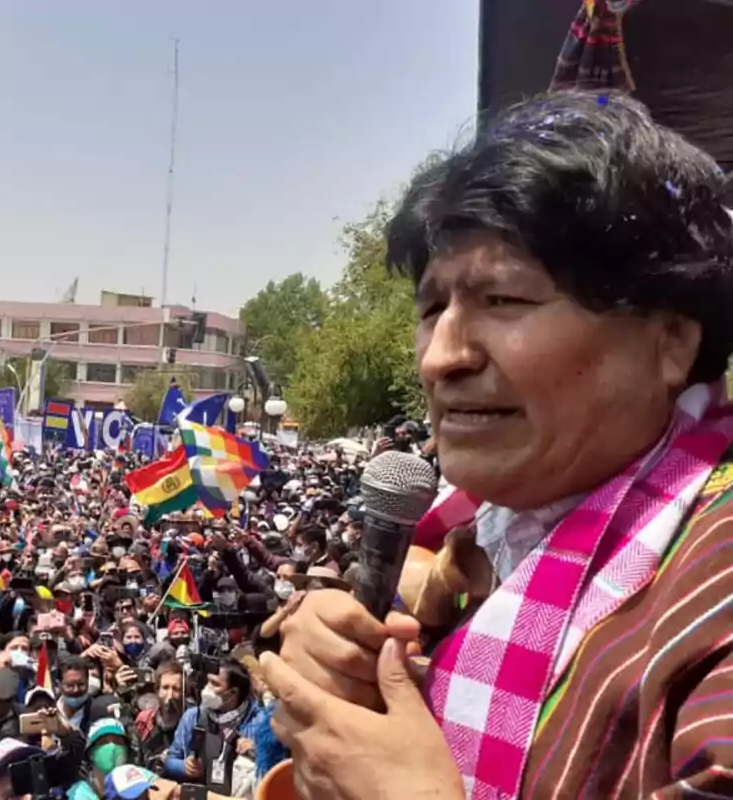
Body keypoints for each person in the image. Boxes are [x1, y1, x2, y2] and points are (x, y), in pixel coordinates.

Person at [264, 91, 733, 799]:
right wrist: (341, 715)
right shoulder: (472, 555)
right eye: (431, 309)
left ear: (670, 340)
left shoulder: (710, 586)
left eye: (505, 301)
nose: (440, 357)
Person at [164, 660, 259, 795]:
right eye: (208, 681)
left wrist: (255, 751)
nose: (207, 688)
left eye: (215, 684)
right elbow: (170, 761)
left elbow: (275, 767)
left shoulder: (258, 721)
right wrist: (184, 767)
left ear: (232, 693)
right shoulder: (193, 717)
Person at [67, 719, 130, 800]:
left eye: (118, 742)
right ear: (91, 753)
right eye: (103, 742)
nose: (112, 747)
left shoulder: (139, 783)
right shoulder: (80, 794)